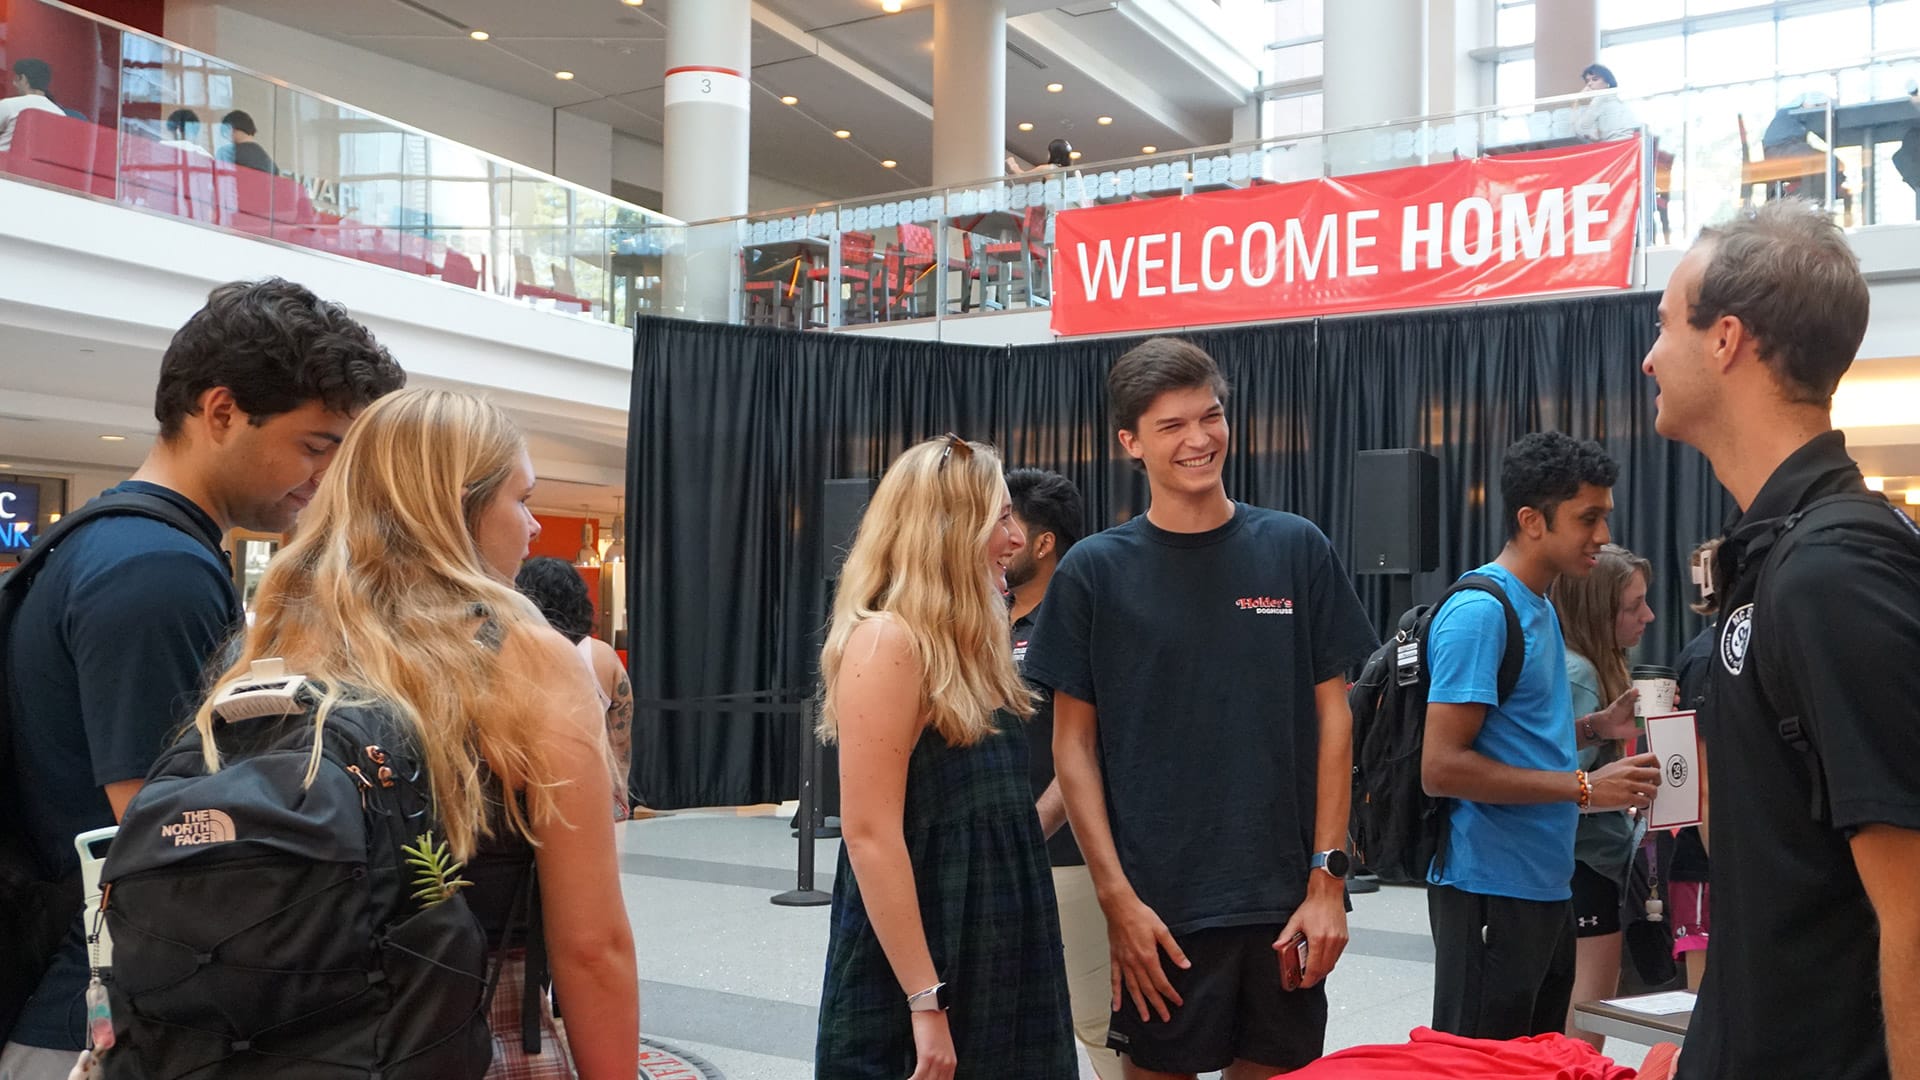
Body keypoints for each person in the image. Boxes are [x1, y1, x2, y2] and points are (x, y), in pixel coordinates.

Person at [0, 278, 404, 1078]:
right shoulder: (157, 570)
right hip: (99, 1023)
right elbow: (168, 839)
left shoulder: (109, 544)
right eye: (316, 446)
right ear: (220, 411)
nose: (323, 479)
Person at [190, 388, 638, 1079]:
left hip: (274, 1039)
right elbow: (591, 946)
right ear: (459, 505)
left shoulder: (267, 648)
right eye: (521, 500)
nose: (531, 529)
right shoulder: (522, 657)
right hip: (471, 1028)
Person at [1025, 338, 1379, 1080]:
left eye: (1209, 416)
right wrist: (1116, 900)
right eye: (1171, 425)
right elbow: (1073, 749)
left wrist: (1328, 882)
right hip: (1158, 909)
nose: (1199, 439)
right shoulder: (1095, 571)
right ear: (1130, 442)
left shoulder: (1293, 548)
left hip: (1284, 901)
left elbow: (1335, 720)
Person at [1643, 198, 1920, 1080]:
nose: (1650, 358)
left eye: (1663, 327)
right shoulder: (1774, 559)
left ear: (1726, 340)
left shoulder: (1833, 574)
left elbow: (1913, 907)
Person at [814, 435, 1075, 1080]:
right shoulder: (887, 641)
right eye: (1002, 516)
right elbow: (870, 835)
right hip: (927, 948)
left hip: (998, 936)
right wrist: (925, 1001)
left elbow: (994, 810)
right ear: (949, 528)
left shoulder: (970, 644)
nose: (1016, 539)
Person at [1420, 432, 1660, 1043]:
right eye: (1588, 518)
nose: (1603, 536)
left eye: (1604, 515)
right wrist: (1586, 786)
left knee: (1535, 1060)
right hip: (1488, 888)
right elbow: (1442, 767)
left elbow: (1511, 737)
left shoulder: (1541, 606)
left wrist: (1593, 728)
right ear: (1531, 520)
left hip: (1544, 885)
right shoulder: (1481, 613)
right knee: (1484, 1063)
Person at [1006, 468, 1118, 1080]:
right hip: (994, 858)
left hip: (1067, 858)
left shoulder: (1084, 619)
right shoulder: (982, 616)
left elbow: (1092, 746)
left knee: (1099, 1023)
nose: (991, 537)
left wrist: (1030, 830)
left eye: (1006, 524)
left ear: (1044, 542)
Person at [1550, 544, 1656, 1050]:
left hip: (1580, 866)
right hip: (1584, 868)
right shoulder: (1581, 675)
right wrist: (1614, 788)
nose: (1648, 616)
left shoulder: (1579, 667)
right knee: (1585, 1030)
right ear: (1597, 610)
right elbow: (1542, 789)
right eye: (1633, 605)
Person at [515, 555, 635, 821]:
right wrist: (620, 788)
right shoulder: (603, 656)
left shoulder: (513, 654)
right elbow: (620, 738)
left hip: (532, 793)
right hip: (594, 791)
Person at [1666, 539, 1720, 992]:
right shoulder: (1706, 657)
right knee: (1701, 1004)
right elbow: (1699, 781)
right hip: (1706, 861)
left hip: (1724, 854)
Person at [0, 59, 66, 153]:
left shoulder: (9, 105)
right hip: (37, 167)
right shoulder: (60, 114)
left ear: (23, 78)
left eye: (16, 78)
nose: (14, 83)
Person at [1571, 64, 1639, 142]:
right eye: (1587, 81)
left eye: (1595, 79)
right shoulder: (1616, 99)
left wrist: (1577, 101)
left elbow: (1580, 130)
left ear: (1607, 82)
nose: (1589, 84)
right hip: (1626, 145)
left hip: (1615, 147)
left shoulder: (1601, 98)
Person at [218, 109, 277, 174]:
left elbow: (221, 178)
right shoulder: (271, 165)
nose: (227, 137)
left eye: (225, 131)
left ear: (232, 129)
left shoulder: (226, 152)